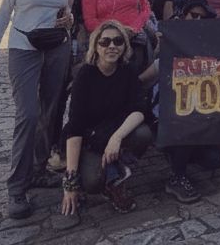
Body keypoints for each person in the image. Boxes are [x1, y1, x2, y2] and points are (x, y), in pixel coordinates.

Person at [0, 0, 75, 220]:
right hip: (24, 49)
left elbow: (67, 12)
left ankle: (38, 170)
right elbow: (3, 13)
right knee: (28, 115)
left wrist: (67, 21)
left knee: (50, 112)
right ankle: (16, 188)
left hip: (56, 48)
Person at [140, 0, 220, 203]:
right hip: (170, 118)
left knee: (213, 160)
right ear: (184, 16)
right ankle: (177, 176)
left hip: (201, 118)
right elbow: (142, 81)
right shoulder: (169, 51)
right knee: (185, 119)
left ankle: (178, 154)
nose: (197, 20)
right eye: (193, 15)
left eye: (202, 18)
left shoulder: (210, 53)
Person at [61, 20, 152, 216]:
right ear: (96, 47)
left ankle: (116, 179)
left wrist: (116, 138)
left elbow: (139, 109)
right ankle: (104, 175)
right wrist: (70, 182)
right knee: (92, 181)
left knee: (143, 133)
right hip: (90, 140)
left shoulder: (127, 72)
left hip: (114, 133)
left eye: (118, 41)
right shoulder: (84, 75)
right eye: (105, 42)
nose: (112, 46)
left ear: (124, 46)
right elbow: (75, 127)